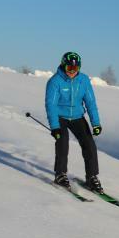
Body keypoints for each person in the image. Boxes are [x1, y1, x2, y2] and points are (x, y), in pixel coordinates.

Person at [45, 51, 103, 192]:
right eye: (69, 68)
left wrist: (96, 123)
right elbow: (51, 105)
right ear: (63, 66)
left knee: (89, 144)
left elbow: (90, 102)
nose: (72, 72)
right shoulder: (55, 81)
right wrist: (55, 127)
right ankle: (60, 174)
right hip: (61, 116)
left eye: (75, 69)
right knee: (63, 143)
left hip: (77, 116)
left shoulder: (83, 80)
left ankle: (92, 177)